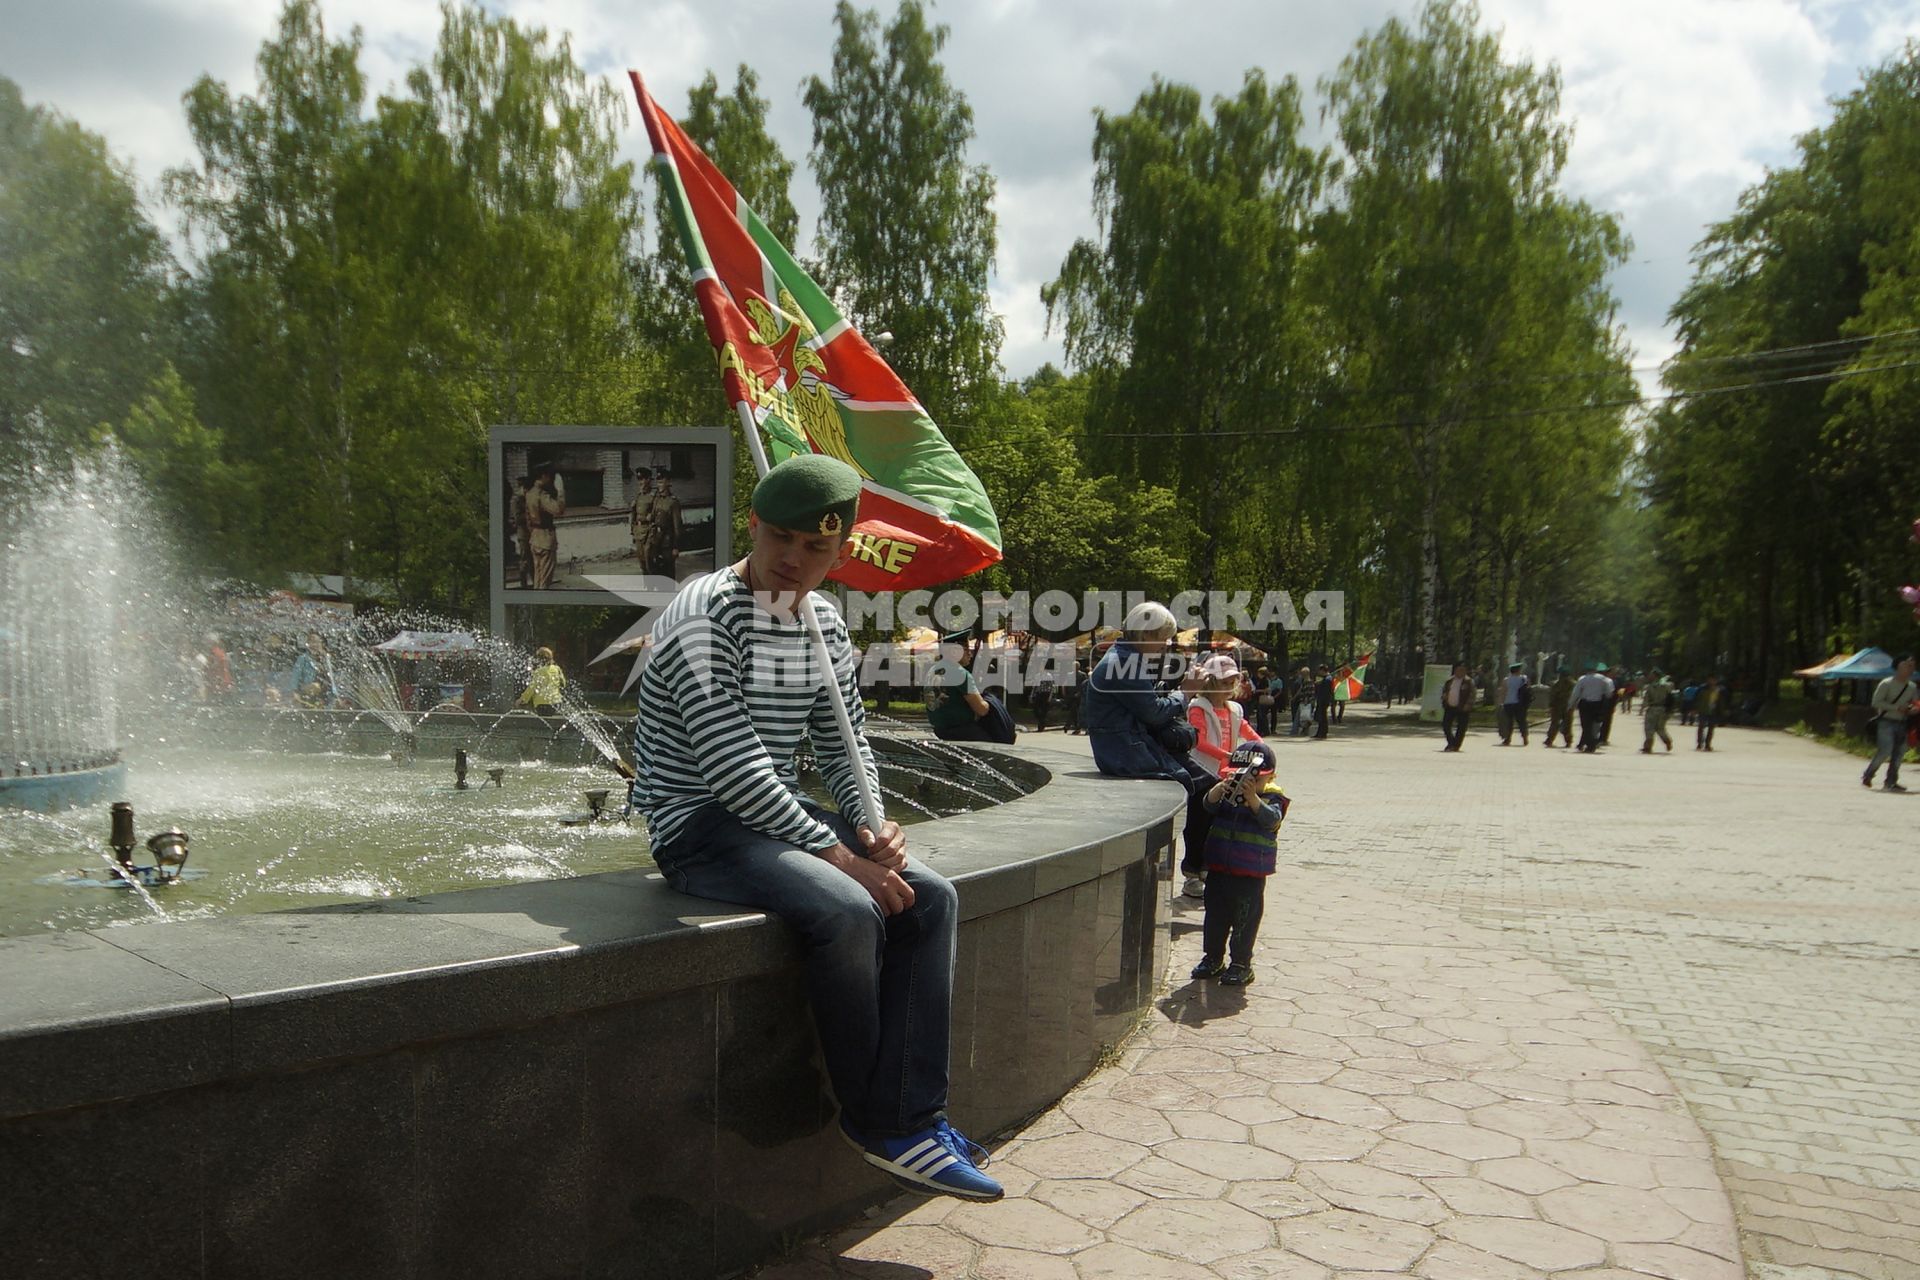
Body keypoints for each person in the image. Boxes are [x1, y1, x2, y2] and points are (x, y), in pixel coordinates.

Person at [628, 453, 1000, 1202]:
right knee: (847, 905)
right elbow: (731, 765)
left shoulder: (824, 621)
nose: (793, 561)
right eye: (782, 540)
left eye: (816, 548)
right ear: (754, 526)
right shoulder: (703, 614)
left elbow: (843, 742)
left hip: (769, 822)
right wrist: (839, 856)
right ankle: (878, 1124)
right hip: (699, 823)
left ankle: (914, 1116)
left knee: (931, 898)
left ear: (841, 551)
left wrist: (871, 824)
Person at [1083, 601, 1215, 899]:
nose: (1166, 644)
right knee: (1195, 789)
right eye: (1163, 637)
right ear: (1145, 636)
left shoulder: (1124, 658)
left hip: (1134, 745)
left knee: (1209, 787)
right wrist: (1187, 691)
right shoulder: (1122, 663)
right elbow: (1154, 713)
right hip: (1126, 752)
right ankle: (1195, 870)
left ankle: (1200, 867)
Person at [1189, 741, 1290, 989]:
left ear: (1270, 776)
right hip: (1219, 868)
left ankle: (1241, 964)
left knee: (1244, 920)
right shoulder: (1227, 794)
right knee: (1214, 918)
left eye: (1256, 778)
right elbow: (1207, 806)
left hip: (1250, 873)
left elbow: (1271, 820)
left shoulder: (1273, 798)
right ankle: (1212, 958)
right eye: (1239, 776)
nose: (1247, 783)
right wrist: (1219, 789)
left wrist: (1253, 798)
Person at [926, 633, 1015, 744]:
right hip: (963, 731)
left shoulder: (933, 670)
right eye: (967, 649)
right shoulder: (959, 672)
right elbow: (982, 709)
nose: (970, 654)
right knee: (996, 749)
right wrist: (990, 700)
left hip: (940, 730)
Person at [1187, 655, 1264, 779]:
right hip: (1203, 771)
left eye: (1232, 683)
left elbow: (1249, 733)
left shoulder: (1234, 710)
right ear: (1209, 683)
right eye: (1224, 683)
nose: (1229, 687)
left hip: (1228, 772)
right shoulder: (1199, 708)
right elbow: (1199, 742)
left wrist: (1262, 748)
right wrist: (1229, 756)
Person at [1862, 653, 1916, 791]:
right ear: (1897, 667)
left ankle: (1891, 781)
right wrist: (1897, 708)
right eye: (1906, 665)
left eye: (1912, 666)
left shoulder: (1912, 687)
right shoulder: (1886, 684)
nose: (1909, 668)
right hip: (1886, 722)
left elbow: (1915, 703)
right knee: (1885, 750)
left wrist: (1912, 709)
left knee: (1899, 753)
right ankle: (1869, 774)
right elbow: (1876, 702)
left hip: (1903, 722)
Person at [526, 465, 565, 589]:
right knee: (545, 582)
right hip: (545, 538)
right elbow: (558, 510)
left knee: (537, 577)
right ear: (543, 476)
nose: (550, 479)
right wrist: (560, 490)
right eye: (549, 476)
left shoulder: (530, 493)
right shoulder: (542, 495)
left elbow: (528, 518)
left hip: (535, 537)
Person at [1571, 663, 1614, 752]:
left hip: (1585, 704)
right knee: (1595, 725)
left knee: (1586, 725)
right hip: (1597, 704)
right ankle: (1591, 743)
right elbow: (1609, 693)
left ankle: (1589, 744)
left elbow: (1576, 693)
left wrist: (1571, 704)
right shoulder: (1603, 679)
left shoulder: (1582, 679)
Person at [290, 632, 335, 707]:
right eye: (312, 642)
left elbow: (331, 679)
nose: (315, 645)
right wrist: (295, 692)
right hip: (308, 690)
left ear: (321, 644)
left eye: (317, 642)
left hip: (324, 694)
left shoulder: (325, 659)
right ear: (308, 644)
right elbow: (295, 676)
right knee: (315, 686)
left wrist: (335, 696)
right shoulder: (303, 658)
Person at [517, 646, 565, 715]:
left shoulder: (539, 672)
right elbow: (563, 683)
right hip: (556, 703)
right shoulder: (557, 669)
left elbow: (531, 688)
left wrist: (522, 700)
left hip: (542, 705)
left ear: (539, 660)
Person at [1639, 669, 1677, 753]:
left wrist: (1642, 709)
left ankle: (1648, 746)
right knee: (1660, 728)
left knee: (1649, 728)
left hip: (1653, 708)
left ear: (1655, 676)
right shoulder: (1667, 685)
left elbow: (1646, 699)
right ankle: (1667, 741)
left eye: (1651, 675)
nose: (1649, 676)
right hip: (1663, 709)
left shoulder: (1650, 686)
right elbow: (1672, 694)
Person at [1440, 663, 1474, 751]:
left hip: (1463, 707)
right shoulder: (1449, 681)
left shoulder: (1468, 681)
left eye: (1463, 670)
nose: (1461, 672)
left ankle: (1456, 745)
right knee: (1445, 725)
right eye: (1459, 670)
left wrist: (1468, 704)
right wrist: (1444, 698)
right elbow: (1445, 691)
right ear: (1455, 671)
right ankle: (1451, 742)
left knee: (1461, 727)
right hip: (1450, 706)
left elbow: (1472, 694)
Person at [1498, 661, 1530, 745]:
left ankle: (1507, 739)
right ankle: (1525, 738)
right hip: (1520, 703)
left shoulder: (1506, 680)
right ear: (1518, 670)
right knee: (1522, 721)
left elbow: (1503, 691)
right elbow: (1528, 689)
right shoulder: (1524, 678)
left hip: (1508, 703)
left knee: (1509, 722)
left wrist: (1501, 702)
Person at [1543, 666, 1576, 748]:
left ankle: (1550, 740)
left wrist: (1550, 705)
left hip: (1557, 706)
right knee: (1567, 724)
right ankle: (1568, 741)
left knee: (1555, 724)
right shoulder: (1573, 684)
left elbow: (1552, 696)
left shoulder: (1556, 684)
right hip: (1568, 706)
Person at [512, 475, 535, 587]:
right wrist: (530, 516)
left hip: (532, 532)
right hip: (523, 533)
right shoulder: (517, 499)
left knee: (532, 559)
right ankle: (523, 583)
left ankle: (535, 582)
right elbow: (517, 518)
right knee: (525, 558)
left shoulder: (528, 497)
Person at [1695, 674, 1724, 751]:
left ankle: (1708, 744)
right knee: (1701, 727)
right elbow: (1696, 698)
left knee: (1711, 728)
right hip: (1703, 710)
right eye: (1711, 679)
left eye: (1714, 680)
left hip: (1713, 711)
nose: (1712, 681)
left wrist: (1722, 711)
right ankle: (1699, 743)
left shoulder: (1719, 689)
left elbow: (1721, 701)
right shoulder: (1702, 688)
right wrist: (1694, 708)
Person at [1251, 665, 1277, 736]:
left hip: (1262, 699)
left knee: (1262, 716)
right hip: (1260, 699)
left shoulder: (1265, 680)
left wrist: (1257, 691)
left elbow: (1267, 689)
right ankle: (1260, 730)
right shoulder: (1262, 680)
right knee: (1260, 716)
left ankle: (1265, 731)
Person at [1288, 665, 1313, 737]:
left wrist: (1306, 700)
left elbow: (1308, 692)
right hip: (1303, 701)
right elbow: (1300, 691)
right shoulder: (1304, 681)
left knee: (1301, 717)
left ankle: (1295, 731)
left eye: (1302, 673)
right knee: (1304, 717)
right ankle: (1304, 731)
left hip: (1306, 701)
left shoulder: (1308, 682)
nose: (1301, 675)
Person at [1311, 665, 1334, 739]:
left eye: (1319, 671)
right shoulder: (1325, 679)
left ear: (1322, 670)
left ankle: (1323, 733)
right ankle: (1319, 732)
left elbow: (1326, 691)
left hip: (1324, 700)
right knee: (1321, 717)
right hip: (1321, 700)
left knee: (1323, 717)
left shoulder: (1328, 679)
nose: (1318, 672)